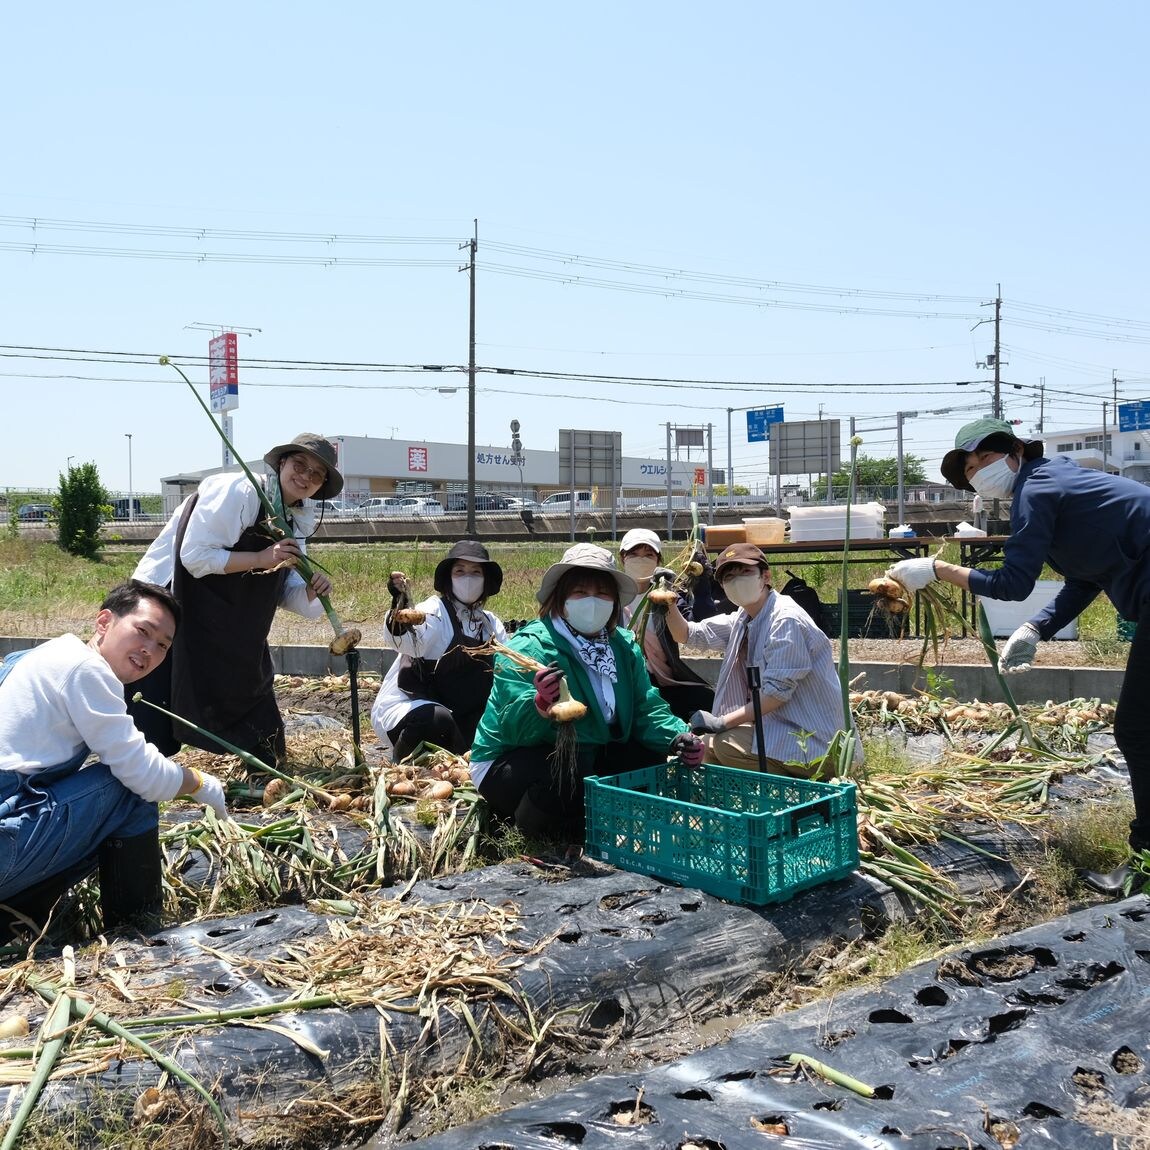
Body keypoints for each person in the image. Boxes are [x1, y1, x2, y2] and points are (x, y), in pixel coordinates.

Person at [886, 416, 1150, 895]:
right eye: (970, 469)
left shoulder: (1038, 489)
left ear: (1014, 451)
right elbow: (1087, 576)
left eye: (984, 458)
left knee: (1137, 729)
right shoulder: (1057, 480)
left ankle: (1148, 860)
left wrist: (939, 568)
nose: (978, 471)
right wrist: (1037, 626)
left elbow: (1012, 582)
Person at [0, 581, 228, 937]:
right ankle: (138, 931)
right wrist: (200, 784)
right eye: (143, 631)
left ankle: (15, 914)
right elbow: (142, 773)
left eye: (162, 645)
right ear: (104, 622)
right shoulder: (86, 670)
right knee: (128, 789)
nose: (149, 650)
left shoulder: (40, 654)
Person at [131, 433, 340, 768]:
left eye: (317, 475)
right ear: (282, 462)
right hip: (174, 603)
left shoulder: (296, 521)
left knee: (264, 736)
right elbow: (194, 557)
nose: (305, 476)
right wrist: (261, 557)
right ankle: (140, 783)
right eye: (300, 464)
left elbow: (285, 592)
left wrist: (310, 592)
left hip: (228, 620)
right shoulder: (240, 491)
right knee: (155, 715)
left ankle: (259, 765)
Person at [470, 543, 705, 836]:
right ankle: (530, 830)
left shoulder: (622, 646)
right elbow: (512, 727)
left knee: (647, 756)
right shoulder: (530, 647)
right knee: (567, 773)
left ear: (615, 602)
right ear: (562, 599)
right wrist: (540, 702)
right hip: (513, 758)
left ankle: (589, 819)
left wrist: (677, 736)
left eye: (602, 593)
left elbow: (645, 705)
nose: (592, 602)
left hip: (589, 747)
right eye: (580, 592)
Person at [664, 543, 856, 776]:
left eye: (745, 572)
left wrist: (722, 722)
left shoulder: (785, 620)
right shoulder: (744, 618)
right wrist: (669, 602)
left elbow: (775, 695)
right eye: (729, 576)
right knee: (706, 747)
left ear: (766, 576)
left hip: (821, 744)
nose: (737, 581)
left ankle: (798, 792)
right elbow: (686, 634)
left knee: (726, 744)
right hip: (785, 730)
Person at [371, 540, 507, 762]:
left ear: (486, 580)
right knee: (436, 720)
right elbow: (406, 639)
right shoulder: (435, 611)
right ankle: (400, 765)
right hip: (412, 708)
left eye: (476, 572)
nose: (468, 578)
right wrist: (400, 604)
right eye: (460, 571)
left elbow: (507, 670)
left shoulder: (491, 624)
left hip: (459, 713)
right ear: (449, 578)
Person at [618, 528, 715, 723]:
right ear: (622, 559)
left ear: (658, 561)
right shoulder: (612, 597)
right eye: (634, 554)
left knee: (709, 700)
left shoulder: (669, 596)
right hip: (626, 682)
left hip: (664, 681)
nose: (641, 559)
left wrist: (703, 587)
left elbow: (698, 626)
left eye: (648, 555)